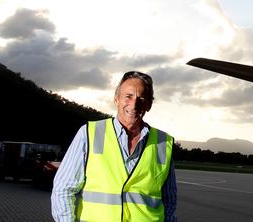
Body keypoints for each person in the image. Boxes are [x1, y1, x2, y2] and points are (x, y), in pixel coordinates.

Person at [51, 71, 176, 221]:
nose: (134, 104)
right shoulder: (89, 133)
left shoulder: (163, 142)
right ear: (116, 99)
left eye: (141, 98)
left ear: (149, 105)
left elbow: (169, 200)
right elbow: (64, 189)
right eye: (128, 96)